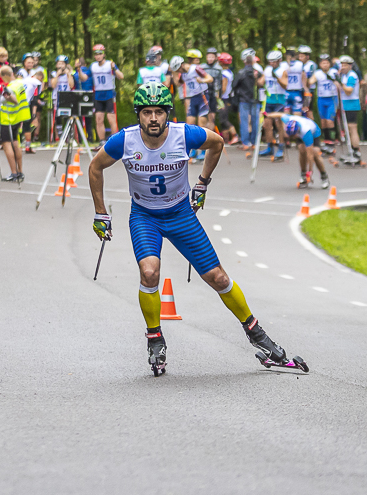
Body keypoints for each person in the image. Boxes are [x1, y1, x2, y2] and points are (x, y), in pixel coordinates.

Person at [87, 81, 297, 376]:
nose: (153, 119)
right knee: (149, 272)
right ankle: (154, 338)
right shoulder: (125, 141)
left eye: (159, 112)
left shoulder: (184, 135)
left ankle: (257, 334)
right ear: (138, 115)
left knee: (218, 277)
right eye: (147, 112)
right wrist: (100, 212)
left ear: (168, 114)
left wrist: (203, 182)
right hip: (144, 216)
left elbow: (218, 142)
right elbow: (95, 167)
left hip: (181, 214)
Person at [264, 112, 330, 189]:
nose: (292, 138)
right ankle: (303, 175)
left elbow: (310, 155)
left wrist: (310, 172)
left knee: (315, 154)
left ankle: (323, 176)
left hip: (313, 133)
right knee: (301, 150)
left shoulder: (306, 132)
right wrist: (267, 115)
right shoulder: (287, 120)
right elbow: (279, 114)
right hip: (300, 133)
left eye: (293, 135)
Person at [77, 44, 123, 146]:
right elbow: (84, 78)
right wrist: (79, 70)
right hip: (98, 94)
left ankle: (115, 141)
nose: (98, 56)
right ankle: (102, 141)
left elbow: (121, 76)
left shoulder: (109, 64)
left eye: (100, 54)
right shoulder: (93, 66)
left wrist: (114, 68)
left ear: (103, 55)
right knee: (98, 119)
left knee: (111, 118)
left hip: (109, 93)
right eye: (96, 54)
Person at [174, 49, 214, 161]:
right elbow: (178, 84)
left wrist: (201, 80)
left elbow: (210, 78)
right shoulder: (182, 73)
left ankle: (203, 150)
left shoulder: (195, 68)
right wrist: (173, 73)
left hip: (202, 96)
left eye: (178, 69)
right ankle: (194, 150)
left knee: (201, 124)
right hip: (193, 98)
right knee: (190, 124)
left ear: (182, 65)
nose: (179, 71)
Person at [0, 65, 31, 183]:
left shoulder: (11, 87)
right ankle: (20, 171)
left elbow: (7, 100)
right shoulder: (20, 83)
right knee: (16, 144)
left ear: (6, 75)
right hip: (19, 117)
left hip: (9, 118)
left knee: (7, 144)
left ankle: (13, 172)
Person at [308, 54, 340, 152]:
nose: (324, 65)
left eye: (326, 63)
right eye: (322, 63)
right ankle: (326, 140)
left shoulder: (334, 72)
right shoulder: (318, 73)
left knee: (330, 120)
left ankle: (332, 140)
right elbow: (310, 82)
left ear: (329, 64)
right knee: (323, 121)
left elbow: (339, 84)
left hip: (332, 98)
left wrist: (334, 80)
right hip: (321, 98)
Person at [260, 50, 287, 160]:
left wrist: (277, 78)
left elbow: (285, 85)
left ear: (279, 60)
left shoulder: (283, 70)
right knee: (267, 124)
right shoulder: (267, 70)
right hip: (269, 100)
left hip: (280, 99)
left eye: (274, 62)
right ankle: (269, 146)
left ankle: (281, 147)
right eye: (270, 62)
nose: (272, 64)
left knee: (279, 124)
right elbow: (261, 82)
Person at [233, 48, 261, 150]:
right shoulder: (257, 72)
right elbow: (261, 85)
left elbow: (234, 85)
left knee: (244, 122)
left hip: (244, 100)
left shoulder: (241, 73)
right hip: (255, 100)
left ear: (245, 61)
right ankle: (254, 142)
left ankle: (245, 143)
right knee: (255, 121)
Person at [18, 53, 45, 152]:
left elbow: (36, 91)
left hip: (28, 101)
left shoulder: (34, 72)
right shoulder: (21, 72)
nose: (30, 64)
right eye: (28, 62)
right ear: (24, 63)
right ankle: (15, 143)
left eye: (32, 62)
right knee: (18, 123)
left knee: (27, 124)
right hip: (19, 101)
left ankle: (28, 146)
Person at [337, 55, 363, 163]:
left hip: (351, 104)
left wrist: (340, 83)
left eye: (345, 65)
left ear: (350, 66)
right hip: (345, 104)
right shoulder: (344, 75)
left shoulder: (351, 76)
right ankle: (351, 149)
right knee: (347, 128)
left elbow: (348, 91)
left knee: (352, 128)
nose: (343, 67)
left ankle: (356, 151)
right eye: (342, 65)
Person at [213, 52, 239, 145]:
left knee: (224, 119)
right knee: (222, 119)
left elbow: (223, 87)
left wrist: (218, 96)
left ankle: (235, 135)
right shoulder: (229, 72)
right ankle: (225, 139)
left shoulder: (224, 73)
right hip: (228, 98)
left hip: (224, 99)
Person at [282, 47, 306, 115]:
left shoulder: (283, 65)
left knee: (286, 114)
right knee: (297, 113)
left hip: (286, 91)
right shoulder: (300, 64)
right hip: (297, 91)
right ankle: (296, 126)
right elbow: (303, 78)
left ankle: (287, 126)